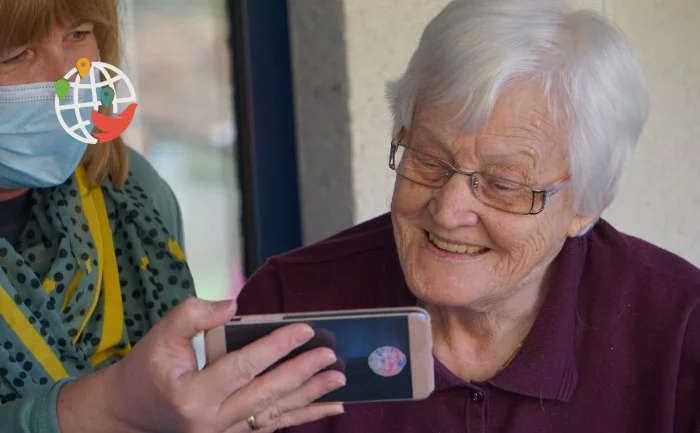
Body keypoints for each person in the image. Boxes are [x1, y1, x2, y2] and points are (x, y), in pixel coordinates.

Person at [235, 0, 700, 431]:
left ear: (584, 206)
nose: (448, 209)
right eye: (428, 159)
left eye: (504, 184)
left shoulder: (680, 330)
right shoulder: (290, 304)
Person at [0, 1, 345, 432]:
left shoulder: (131, 194)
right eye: (15, 54)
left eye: (78, 34)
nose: (69, 75)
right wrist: (107, 407)